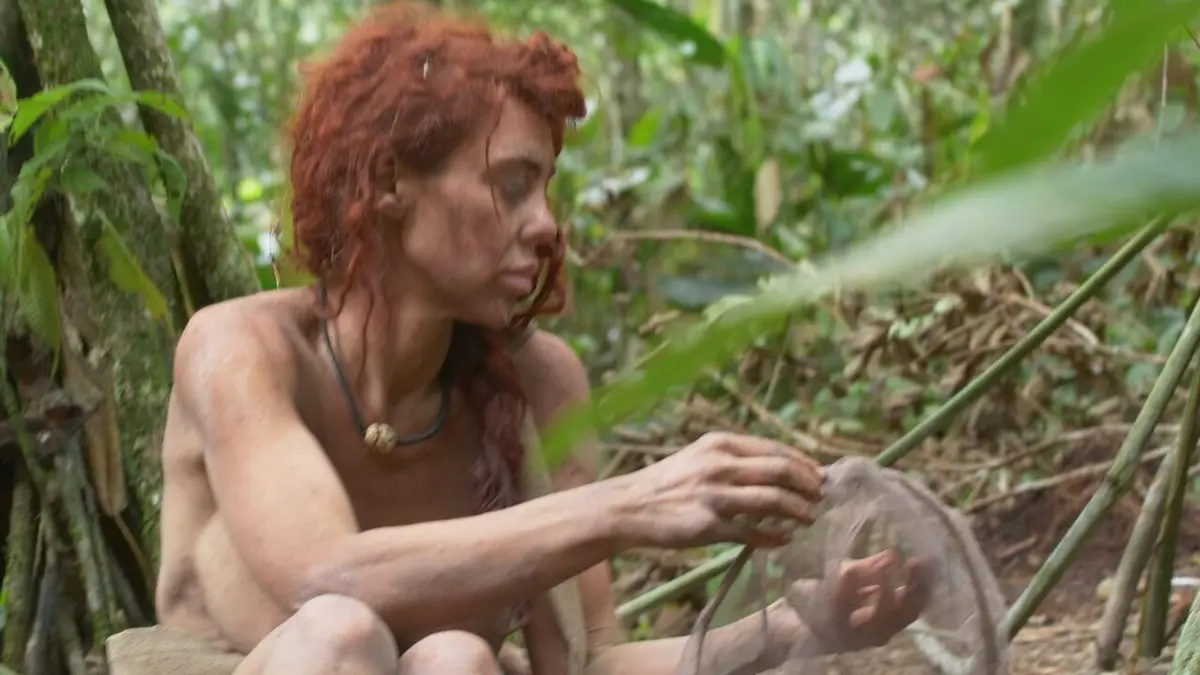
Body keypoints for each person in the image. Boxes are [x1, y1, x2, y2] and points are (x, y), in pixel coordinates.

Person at [107, 3, 932, 675]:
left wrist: (797, 623)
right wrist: (634, 503)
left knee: (459, 658)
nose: (546, 226)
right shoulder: (241, 348)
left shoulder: (538, 380)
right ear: (391, 183)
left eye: (546, 189)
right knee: (340, 634)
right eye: (511, 185)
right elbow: (326, 573)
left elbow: (593, 661)